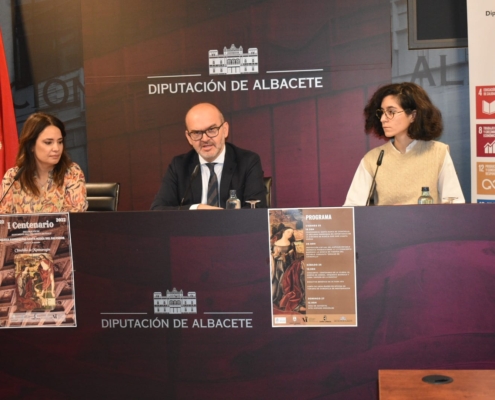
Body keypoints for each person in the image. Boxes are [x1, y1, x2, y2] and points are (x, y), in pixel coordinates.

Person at [344, 82, 465, 206]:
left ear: (413, 115)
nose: (383, 119)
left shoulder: (438, 152)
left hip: (428, 225)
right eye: (382, 112)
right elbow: (352, 208)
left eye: (391, 112)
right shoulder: (373, 159)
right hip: (386, 225)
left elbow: (455, 204)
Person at [150, 103, 267, 210]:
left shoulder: (247, 161)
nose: (205, 139)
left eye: (211, 130)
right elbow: (158, 210)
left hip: (233, 232)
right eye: (196, 133)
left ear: (225, 130)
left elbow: (257, 210)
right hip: (192, 232)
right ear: (189, 137)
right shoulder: (179, 166)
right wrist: (196, 209)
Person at [0, 112, 88, 213]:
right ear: (31, 145)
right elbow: (3, 220)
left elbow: (73, 220)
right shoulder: (13, 177)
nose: (56, 148)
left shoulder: (72, 173)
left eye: (60, 142)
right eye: (48, 142)